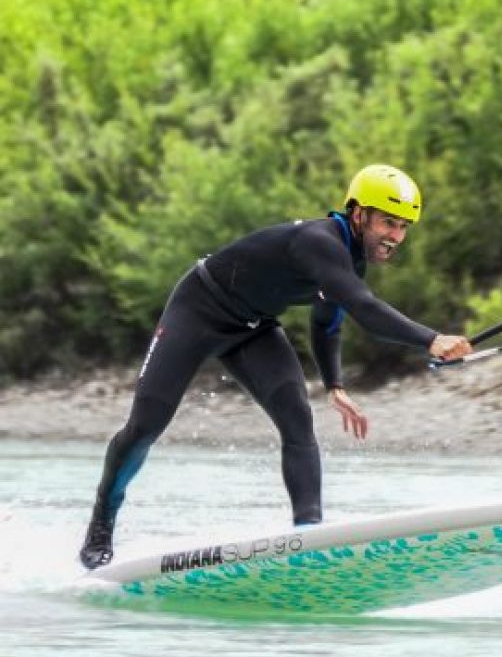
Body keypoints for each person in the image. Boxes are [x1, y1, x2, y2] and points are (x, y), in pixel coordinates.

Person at [79, 164, 472, 569]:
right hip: (198, 309)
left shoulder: (350, 262)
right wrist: (431, 338)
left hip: (253, 327)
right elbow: (366, 310)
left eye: (404, 227)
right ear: (359, 214)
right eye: (388, 223)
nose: (395, 236)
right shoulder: (319, 242)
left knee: (298, 419)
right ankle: (101, 526)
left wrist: (334, 384)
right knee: (146, 425)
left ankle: (308, 537)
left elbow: (326, 322)